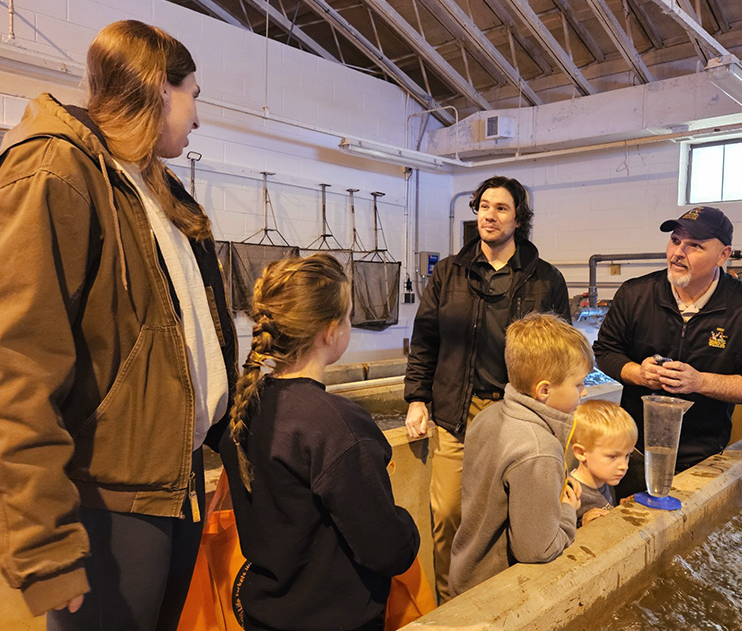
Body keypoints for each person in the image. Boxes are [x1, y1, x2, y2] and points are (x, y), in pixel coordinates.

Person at [0, 21, 237, 630]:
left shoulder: (150, 188)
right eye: (196, 93)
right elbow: (3, 367)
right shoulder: (54, 173)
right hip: (108, 509)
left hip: (173, 487)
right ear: (160, 89)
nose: (199, 117)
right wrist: (42, 546)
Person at [221, 254, 420, 631]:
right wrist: (407, 527)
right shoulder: (337, 427)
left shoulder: (246, 409)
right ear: (331, 332)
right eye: (347, 317)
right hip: (334, 619)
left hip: (265, 615)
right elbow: (386, 549)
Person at [403, 176, 571, 601]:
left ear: (518, 220)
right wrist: (417, 398)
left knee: (510, 519)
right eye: (484, 207)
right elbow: (425, 339)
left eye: (501, 209)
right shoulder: (449, 272)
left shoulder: (545, 279)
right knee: (447, 515)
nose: (489, 215)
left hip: (517, 416)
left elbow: (559, 350)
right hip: (458, 411)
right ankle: (450, 602)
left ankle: (504, 605)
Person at [594, 206, 742, 499]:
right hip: (630, 454)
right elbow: (605, 352)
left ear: (723, 255)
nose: (677, 253)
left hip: (703, 459)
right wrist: (638, 373)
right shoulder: (635, 294)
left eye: (694, 245)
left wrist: (700, 382)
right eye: (675, 240)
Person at [448, 313, 590, 596]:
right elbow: (537, 549)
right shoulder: (539, 450)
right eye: (578, 385)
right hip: (498, 590)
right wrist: (566, 512)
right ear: (544, 390)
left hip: (465, 573)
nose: (584, 392)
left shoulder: (488, 416)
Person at [567, 400, 638, 527]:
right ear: (581, 453)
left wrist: (619, 509)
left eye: (627, 455)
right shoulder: (571, 493)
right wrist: (583, 526)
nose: (624, 466)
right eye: (613, 456)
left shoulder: (605, 479)